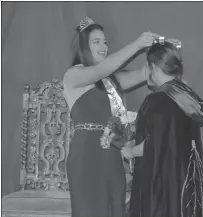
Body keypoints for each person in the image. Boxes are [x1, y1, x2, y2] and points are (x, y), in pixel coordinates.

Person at [63, 16, 160, 217]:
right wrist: (137, 45)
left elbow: (143, 74)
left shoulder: (109, 80)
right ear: (83, 46)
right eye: (96, 42)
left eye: (105, 42)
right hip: (86, 157)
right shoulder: (73, 74)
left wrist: (160, 50)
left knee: (114, 208)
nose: (104, 46)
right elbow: (103, 68)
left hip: (111, 155)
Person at [121, 40, 203, 217]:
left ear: (153, 66)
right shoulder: (187, 96)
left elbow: (156, 144)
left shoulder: (157, 101)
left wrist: (131, 151)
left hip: (161, 184)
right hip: (185, 181)